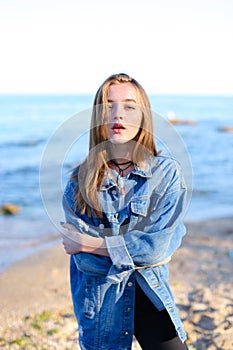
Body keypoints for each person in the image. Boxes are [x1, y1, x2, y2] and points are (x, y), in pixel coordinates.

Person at [62, 73, 188, 350]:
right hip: (101, 303)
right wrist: (133, 249)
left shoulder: (166, 173)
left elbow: (157, 248)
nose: (118, 114)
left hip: (150, 294)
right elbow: (87, 264)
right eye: (108, 106)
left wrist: (90, 243)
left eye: (129, 106)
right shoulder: (76, 181)